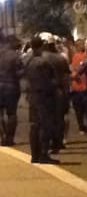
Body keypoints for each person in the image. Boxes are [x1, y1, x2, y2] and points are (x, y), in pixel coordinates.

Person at [22, 36, 59, 164]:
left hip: (32, 95)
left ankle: (34, 154)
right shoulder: (43, 63)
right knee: (45, 126)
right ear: (41, 46)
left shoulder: (28, 61)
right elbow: (51, 80)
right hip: (44, 96)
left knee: (34, 125)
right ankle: (43, 154)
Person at [39, 33, 71, 153]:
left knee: (46, 118)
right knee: (59, 118)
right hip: (59, 91)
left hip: (44, 92)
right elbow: (66, 77)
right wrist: (67, 91)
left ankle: (48, 143)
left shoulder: (39, 58)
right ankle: (58, 142)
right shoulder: (60, 58)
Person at [0, 34, 23, 146]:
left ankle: (2, 136)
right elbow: (19, 73)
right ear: (11, 42)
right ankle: (9, 139)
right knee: (12, 113)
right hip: (11, 86)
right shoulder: (15, 56)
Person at [69, 38, 87, 135]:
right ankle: (81, 127)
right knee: (78, 110)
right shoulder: (75, 56)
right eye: (79, 45)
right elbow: (73, 70)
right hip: (77, 87)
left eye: (82, 44)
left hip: (85, 86)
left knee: (86, 109)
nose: (82, 46)